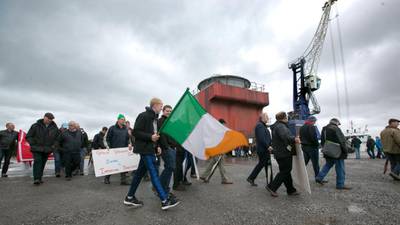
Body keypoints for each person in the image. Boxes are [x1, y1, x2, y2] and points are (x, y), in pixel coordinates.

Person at [124, 97, 180, 210]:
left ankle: (129, 197)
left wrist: (157, 146)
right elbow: (136, 132)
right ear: (155, 105)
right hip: (144, 149)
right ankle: (165, 200)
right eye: (161, 106)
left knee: (139, 174)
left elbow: (155, 136)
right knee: (154, 173)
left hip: (150, 149)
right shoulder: (143, 115)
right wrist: (150, 137)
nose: (161, 108)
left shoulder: (154, 119)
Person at [265, 112, 300, 197]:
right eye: (286, 117)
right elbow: (285, 136)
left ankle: (290, 190)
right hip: (284, 152)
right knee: (285, 171)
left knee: (286, 171)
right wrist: (294, 139)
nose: (287, 118)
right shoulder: (281, 126)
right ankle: (272, 187)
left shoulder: (276, 126)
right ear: (284, 118)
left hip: (279, 152)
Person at [315, 118, 352, 190]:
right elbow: (342, 141)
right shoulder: (336, 129)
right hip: (337, 152)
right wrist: (345, 151)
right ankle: (340, 185)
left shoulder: (324, 129)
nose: (338, 125)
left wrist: (326, 149)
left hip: (328, 151)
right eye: (338, 124)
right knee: (340, 168)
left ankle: (319, 177)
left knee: (328, 165)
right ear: (336, 123)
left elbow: (322, 141)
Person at [26, 112, 59, 185]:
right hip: (36, 148)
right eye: (48, 118)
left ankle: (39, 177)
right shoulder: (35, 126)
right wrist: (33, 143)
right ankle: (36, 178)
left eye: (51, 119)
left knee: (42, 163)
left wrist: (53, 146)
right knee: (38, 161)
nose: (50, 120)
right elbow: (28, 136)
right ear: (44, 117)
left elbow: (57, 139)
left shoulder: (54, 128)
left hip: (47, 149)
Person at [200, 119, 233, 185]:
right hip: (219, 151)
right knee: (221, 165)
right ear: (221, 124)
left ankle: (204, 176)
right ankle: (224, 179)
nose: (225, 126)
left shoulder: (216, 131)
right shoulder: (219, 131)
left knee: (211, 163)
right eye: (224, 124)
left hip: (216, 150)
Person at [104, 114, 132, 185]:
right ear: (118, 120)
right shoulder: (112, 128)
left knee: (123, 165)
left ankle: (123, 180)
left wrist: (129, 144)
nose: (123, 121)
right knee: (112, 165)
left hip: (123, 150)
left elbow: (128, 139)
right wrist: (108, 146)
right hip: (113, 150)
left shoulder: (125, 129)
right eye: (122, 119)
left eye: (124, 120)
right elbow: (107, 139)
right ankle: (106, 178)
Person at [247, 112, 272, 186]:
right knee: (265, 165)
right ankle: (269, 182)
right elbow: (261, 138)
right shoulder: (260, 126)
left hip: (264, 149)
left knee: (261, 164)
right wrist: (268, 146)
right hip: (263, 149)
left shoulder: (262, 126)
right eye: (266, 117)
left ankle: (251, 178)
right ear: (262, 118)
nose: (268, 118)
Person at [158, 105, 177, 194]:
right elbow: (161, 135)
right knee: (170, 167)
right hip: (166, 148)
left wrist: (175, 145)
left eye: (170, 111)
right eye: (167, 111)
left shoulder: (171, 122)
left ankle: (164, 187)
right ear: (163, 111)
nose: (169, 112)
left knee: (169, 167)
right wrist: (166, 146)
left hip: (172, 148)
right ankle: (160, 186)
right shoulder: (161, 121)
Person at [299, 116, 321, 180]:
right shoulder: (311, 126)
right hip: (312, 147)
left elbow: (300, 137)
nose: (314, 123)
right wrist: (317, 145)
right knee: (315, 164)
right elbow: (313, 137)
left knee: (304, 163)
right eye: (314, 121)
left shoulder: (302, 127)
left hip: (304, 147)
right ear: (312, 121)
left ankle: (300, 176)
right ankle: (318, 178)